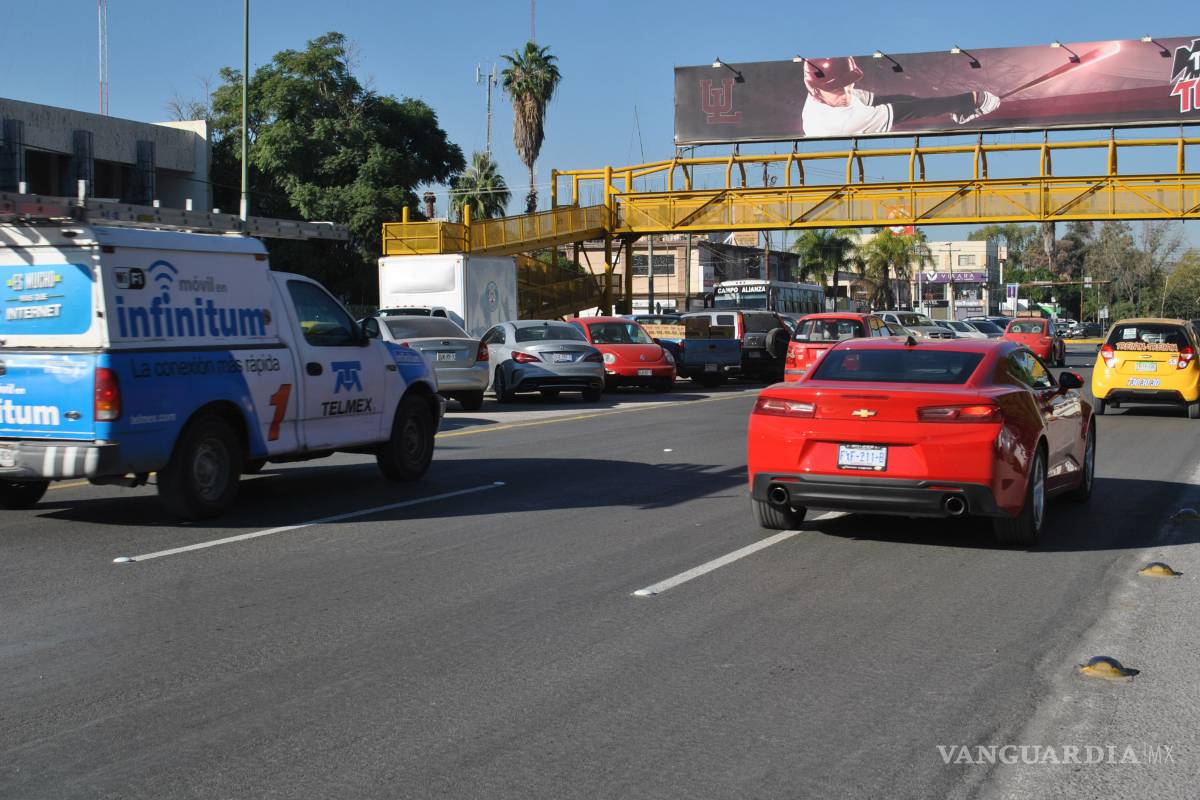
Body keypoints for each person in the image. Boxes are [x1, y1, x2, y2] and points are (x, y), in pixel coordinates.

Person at [802, 56, 1000, 137]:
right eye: (838, 89)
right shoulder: (838, 122)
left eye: (849, 84)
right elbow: (909, 110)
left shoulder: (826, 93)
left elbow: (888, 100)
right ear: (816, 91)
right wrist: (970, 100)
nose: (848, 93)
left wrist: (954, 109)